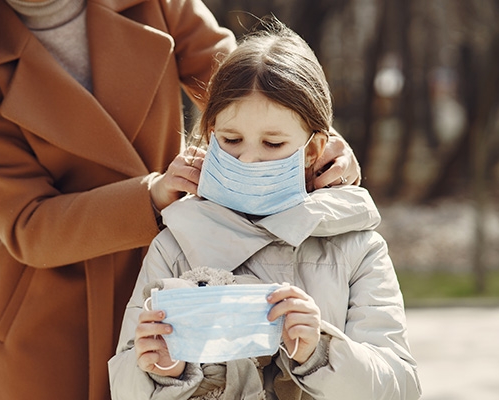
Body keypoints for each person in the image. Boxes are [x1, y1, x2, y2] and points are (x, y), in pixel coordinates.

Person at [0, 1, 361, 399]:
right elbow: (28, 224)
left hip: (183, 284)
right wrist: (151, 194)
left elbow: (257, 92)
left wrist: (323, 145)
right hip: (50, 318)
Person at [109, 19, 421, 400]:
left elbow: (399, 387)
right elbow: (126, 384)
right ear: (209, 135)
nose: (250, 159)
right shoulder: (175, 242)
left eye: (273, 143)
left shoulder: (358, 248)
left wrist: (319, 352)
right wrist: (165, 370)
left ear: (312, 148)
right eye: (231, 139)